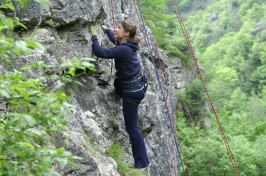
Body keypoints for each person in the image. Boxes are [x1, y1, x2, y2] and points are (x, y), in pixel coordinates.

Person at [91, 21, 150, 169]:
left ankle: (142, 161)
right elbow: (114, 38)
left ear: (126, 34)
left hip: (132, 92)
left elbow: (100, 52)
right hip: (139, 84)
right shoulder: (128, 45)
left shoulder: (123, 49)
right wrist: (106, 30)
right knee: (118, 81)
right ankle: (119, 93)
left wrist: (94, 36)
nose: (115, 29)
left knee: (132, 127)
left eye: (119, 28)